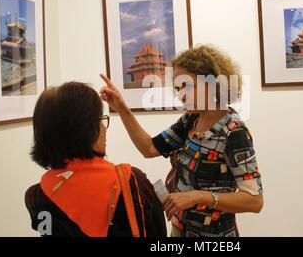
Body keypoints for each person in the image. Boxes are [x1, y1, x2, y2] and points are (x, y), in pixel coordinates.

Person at [100, 45, 263, 237]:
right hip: (180, 229)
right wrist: (120, 106)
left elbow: (254, 200)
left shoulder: (234, 132)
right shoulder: (192, 119)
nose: (181, 95)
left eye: (188, 86)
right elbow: (149, 148)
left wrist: (199, 196)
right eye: (178, 88)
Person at [25, 82, 166, 237]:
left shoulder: (35, 196)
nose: (104, 128)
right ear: (85, 130)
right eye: (100, 120)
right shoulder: (131, 181)